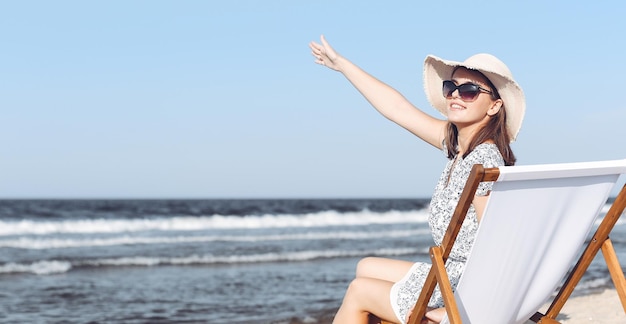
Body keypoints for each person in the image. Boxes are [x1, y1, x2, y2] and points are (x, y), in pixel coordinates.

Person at [309, 35, 526, 324]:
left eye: (470, 90)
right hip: (450, 273)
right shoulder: (460, 148)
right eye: (451, 87)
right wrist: (343, 66)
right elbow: (397, 109)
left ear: (494, 107)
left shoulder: (484, 160)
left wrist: (448, 311)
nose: (456, 95)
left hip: (465, 290)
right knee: (366, 267)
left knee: (359, 291)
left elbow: (499, 247)